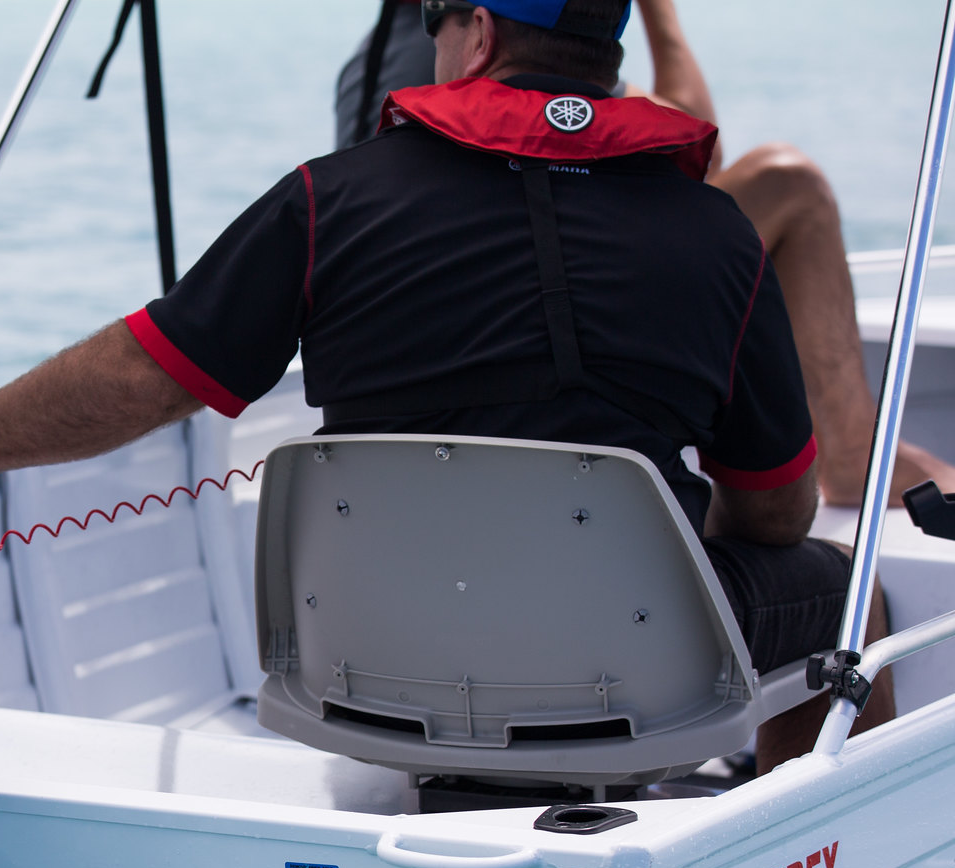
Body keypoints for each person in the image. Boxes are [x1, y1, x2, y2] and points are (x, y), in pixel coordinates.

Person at [0, 0, 892, 769]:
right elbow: (774, 509)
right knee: (852, 595)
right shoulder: (714, 237)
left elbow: (139, 378)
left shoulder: (326, 203)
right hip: (635, 669)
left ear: (475, 37)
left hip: (371, 673)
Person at [336, 0, 955, 509]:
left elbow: (668, 150)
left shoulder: (434, 42)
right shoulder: (484, 34)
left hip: (452, 334)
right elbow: (690, 169)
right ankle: (849, 453)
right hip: (529, 302)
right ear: (481, 34)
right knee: (790, 184)